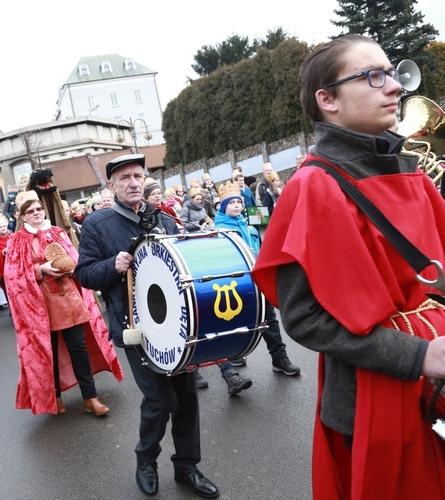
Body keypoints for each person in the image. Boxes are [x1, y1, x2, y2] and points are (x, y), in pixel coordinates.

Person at [252, 34, 445, 499]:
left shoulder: (412, 171)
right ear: (328, 99)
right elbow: (303, 319)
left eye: (392, 72)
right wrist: (417, 355)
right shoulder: (310, 187)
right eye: (373, 76)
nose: (395, 86)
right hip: (374, 392)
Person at [76, 154, 219, 498]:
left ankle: (187, 467)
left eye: (138, 175)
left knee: (186, 400)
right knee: (159, 401)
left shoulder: (163, 220)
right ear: (111, 186)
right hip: (135, 329)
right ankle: (146, 461)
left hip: (174, 327)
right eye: (124, 177)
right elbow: (83, 274)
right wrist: (112, 264)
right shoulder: (98, 223)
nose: (133, 182)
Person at [4, 190, 122, 416]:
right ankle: (54, 397)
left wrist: (69, 266)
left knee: (78, 348)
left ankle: (90, 397)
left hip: (69, 298)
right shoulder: (17, 241)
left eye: (39, 209)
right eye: (30, 211)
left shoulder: (58, 232)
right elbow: (12, 277)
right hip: (40, 305)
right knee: (49, 351)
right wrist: (40, 270)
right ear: (23, 216)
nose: (36, 213)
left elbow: (76, 260)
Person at [214, 181, 300, 376]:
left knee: (269, 318)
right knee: (232, 323)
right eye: (231, 203)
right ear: (223, 206)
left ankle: (279, 357)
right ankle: (232, 360)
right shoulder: (219, 230)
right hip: (234, 284)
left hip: (256, 280)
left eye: (239, 202)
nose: (237, 205)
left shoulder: (249, 226)